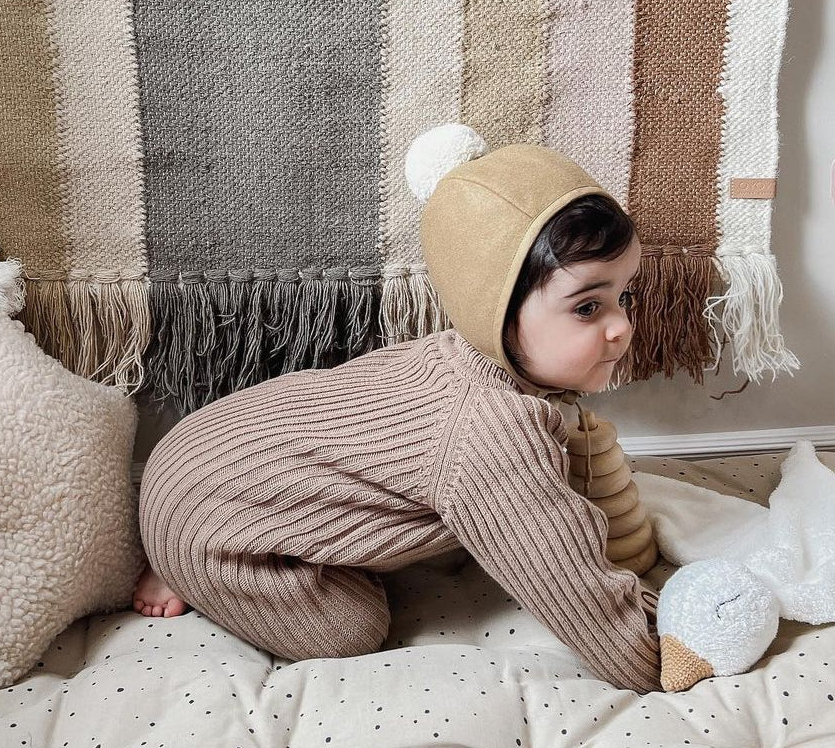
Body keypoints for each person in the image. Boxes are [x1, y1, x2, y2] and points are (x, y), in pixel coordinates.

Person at [134, 126, 661, 692]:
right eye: (587, 307)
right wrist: (662, 661)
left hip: (193, 454)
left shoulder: (452, 355)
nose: (622, 326)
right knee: (354, 627)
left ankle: (184, 549)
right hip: (207, 522)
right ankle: (186, 570)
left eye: (623, 296)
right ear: (494, 310)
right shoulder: (493, 431)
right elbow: (575, 589)